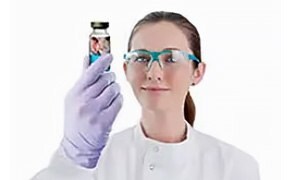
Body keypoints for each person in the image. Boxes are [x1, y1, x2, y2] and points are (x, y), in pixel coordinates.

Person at [32, 11, 260, 180]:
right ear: (125, 69)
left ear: (197, 72)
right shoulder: (95, 164)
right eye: (141, 58)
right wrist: (73, 159)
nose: (153, 72)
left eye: (171, 58)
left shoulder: (235, 167)